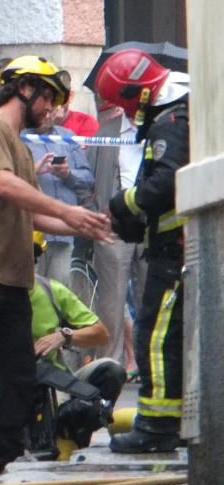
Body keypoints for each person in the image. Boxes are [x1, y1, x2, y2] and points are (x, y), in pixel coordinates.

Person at [0, 55, 112, 478]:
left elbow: (28, 213)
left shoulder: (21, 147)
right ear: (26, 90)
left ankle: (1, 452)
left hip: (11, 273)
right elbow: (5, 186)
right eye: (49, 99)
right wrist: (68, 214)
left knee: (19, 369)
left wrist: (80, 222)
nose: (51, 110)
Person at [0, 233, 126, 453]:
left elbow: (100, 333)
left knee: (111, 371)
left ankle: (68, 434)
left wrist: (64, 336)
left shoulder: (51, 290)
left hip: (53, 390)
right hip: (0, 400)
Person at [92, 49, 189, 454]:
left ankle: (157, 429)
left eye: (127, 103)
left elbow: (165, 184)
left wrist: (121, 205)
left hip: (176, 253)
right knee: (163, 336)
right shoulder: (173, 116)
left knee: (156, 338)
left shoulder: (171, 123)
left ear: (142, 93)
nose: (128, 113)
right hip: (172, 249)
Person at [86, 97, 145, 369]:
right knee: (111, 304)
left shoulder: (158, 130)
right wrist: (95, 214)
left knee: (151, 300)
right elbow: (87, 180)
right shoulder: (106, 133)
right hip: (112, 226)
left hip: (149, 226)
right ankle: (110, 367)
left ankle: (150, 368)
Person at [23, 107, 95, 288]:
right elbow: (8, 181)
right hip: (31, 233)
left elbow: (88, 179)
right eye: (44, 110)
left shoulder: (68, 136)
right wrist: (34, 171)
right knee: (30, 290)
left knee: (59, 292)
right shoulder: (20, 137)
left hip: (63, 233)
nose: (47, 115)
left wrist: (68, 173)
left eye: (52, 110)